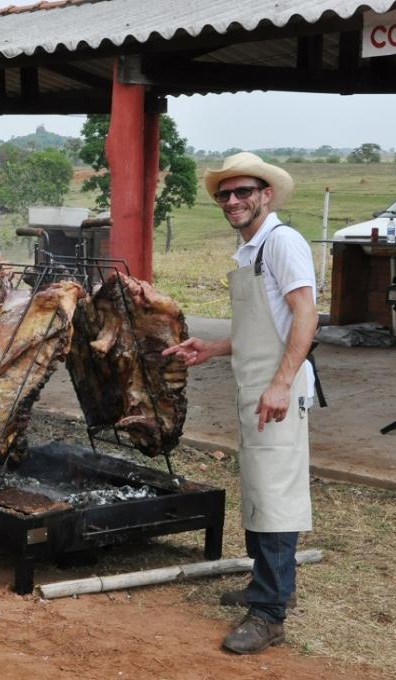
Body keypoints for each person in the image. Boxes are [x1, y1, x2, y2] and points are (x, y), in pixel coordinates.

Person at [163, 152, 317, 655]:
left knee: (275, 495)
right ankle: (267, 587)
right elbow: (263, 326)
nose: (232, 201)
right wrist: (212, 348)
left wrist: (282, 382)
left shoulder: (282, 242)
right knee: (258, 486)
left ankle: (270, 614)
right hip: (255, 387)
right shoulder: (252, 250)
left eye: (243, 191)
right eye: (224, 194)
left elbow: (305, 315)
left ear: (265, 194)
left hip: (276, 389)